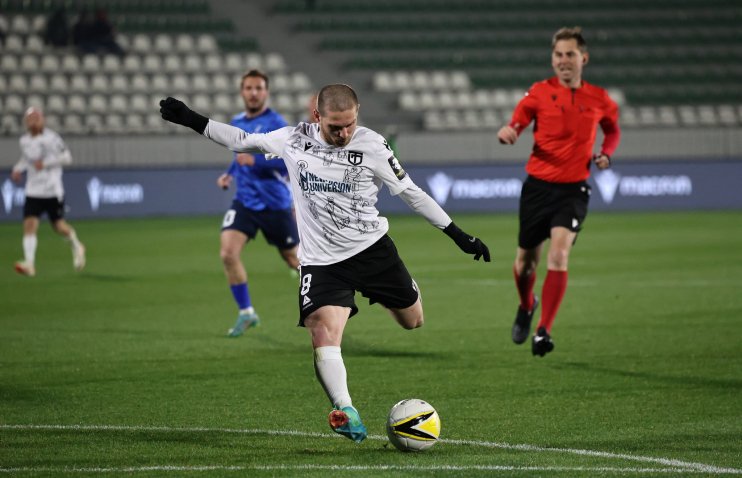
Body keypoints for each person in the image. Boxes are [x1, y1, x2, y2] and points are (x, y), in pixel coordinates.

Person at [159, 84, 490, 443]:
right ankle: (346, 410)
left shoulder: (373, 145)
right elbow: (241, 139)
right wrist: (191, 119)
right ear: (317, 117)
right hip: (322, 263)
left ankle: (387, 293)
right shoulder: (292, 139)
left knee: (413, 320)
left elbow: (412, 192)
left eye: (349, 125)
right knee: (322, 331)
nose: (344, 133)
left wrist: (458, 235)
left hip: (372, 250)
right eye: (335, 127)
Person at [497, 27, 620, 357]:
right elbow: (519, 120)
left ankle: (543, 331)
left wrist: (607, 152)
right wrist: (511, 130)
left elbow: (612, 129)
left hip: (573, 190)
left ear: (584, 58)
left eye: (570, 54)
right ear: (552, 59)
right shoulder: (539, 92)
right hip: (537, 188)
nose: (563, 60)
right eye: (558, 55)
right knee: (525, 263)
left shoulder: (600, 99)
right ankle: (527, 304)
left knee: (560, 254)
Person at [217, 70, 300, 338]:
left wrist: (256, 161)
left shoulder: (276, 123)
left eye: (259, 88)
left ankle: (328, 296)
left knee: (294, 260)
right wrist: (230, 173)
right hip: (245, 202)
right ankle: (247, 313)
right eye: (249, 88)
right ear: (242, 92)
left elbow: (289, 160)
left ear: (266, 92)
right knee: (228, 253)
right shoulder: (237, 122)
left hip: (275, 205)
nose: (253, 93)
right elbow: (238, 154)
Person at [11, 107, 86, 277]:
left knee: (59, 226)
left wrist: (46, 164)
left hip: (52, 190)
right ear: (26, 122)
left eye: (37, 117)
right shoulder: (24, 141)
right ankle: (29, 264)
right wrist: (18, 169)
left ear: (42, 120)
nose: (34, 121)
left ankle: (76, 244)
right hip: (33, 190)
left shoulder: (52, 138)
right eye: (30, 118)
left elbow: (67, 157)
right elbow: (26, 159)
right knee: (29, 225)